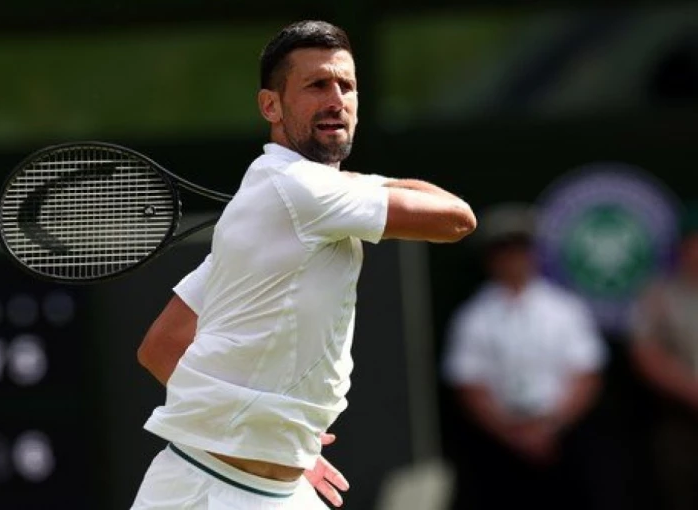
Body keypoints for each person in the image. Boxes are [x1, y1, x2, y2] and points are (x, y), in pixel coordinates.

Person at [130, 20, 476, 510]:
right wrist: (360, 182)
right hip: (202, 491)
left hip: (283, 492)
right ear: (270, 106)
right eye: (316, 85)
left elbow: (161, 345)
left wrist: (270, 439)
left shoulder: (270, 205)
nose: (336, 99)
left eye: (346, 86)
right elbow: (457, 219)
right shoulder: (301, 189)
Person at [441, 202, 607, 510]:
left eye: (520, 250)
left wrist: (550, 426)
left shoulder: (566, 310)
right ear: (490, 258)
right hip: (499, 448)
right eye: (504, 251)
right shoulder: (473, 318)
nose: (513, 259)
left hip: (563, 441)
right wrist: (512, 434)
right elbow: (468, 384)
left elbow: (587, 374)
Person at [630, 205, 698, 510]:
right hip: (681, 418)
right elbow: (647, 354)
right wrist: (692, 392)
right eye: (694, 243)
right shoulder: (660, 295)